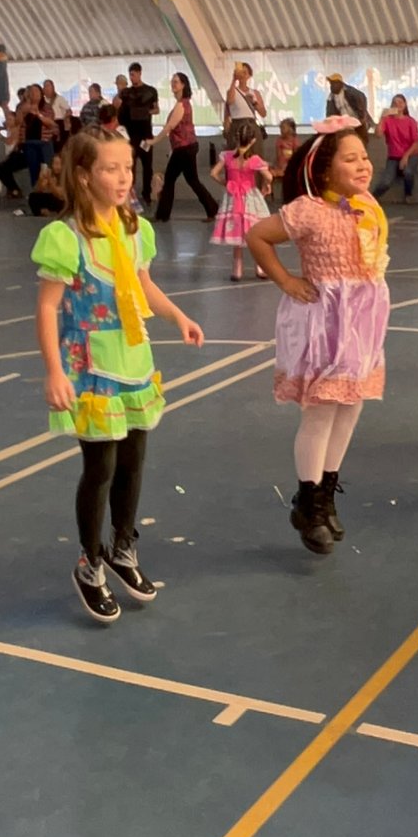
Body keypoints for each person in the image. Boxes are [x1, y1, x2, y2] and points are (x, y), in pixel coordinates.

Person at [34, 123, 203, 624]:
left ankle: (123, 547)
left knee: (133, 462)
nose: (125, 177)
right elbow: (47, 308)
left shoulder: (133, 230)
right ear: (84, 175)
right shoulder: (65, 238)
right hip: (90, 366)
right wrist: (54, 371)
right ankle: (90, 562)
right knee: (101, 467)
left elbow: (144, 285)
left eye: (128, 167)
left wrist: (177, 316)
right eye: (111, 168)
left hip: (132, 358)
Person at [247, 117, 390, 557]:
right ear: (325, 171)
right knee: (322, 411)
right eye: (351, 159)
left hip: (360, 323)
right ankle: (307, 501)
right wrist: (286, 281)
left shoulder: (366, 204)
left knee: (351, 406)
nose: (363, 165)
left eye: (364, 157)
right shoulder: (308, 210)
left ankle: (326, 493)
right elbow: (257, 235)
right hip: (326, 321)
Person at [211, 120, 272, 281]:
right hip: (250, 197)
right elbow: (269, 176)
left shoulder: (227, 156)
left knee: (237, 233)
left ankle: (237, 269)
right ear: (253, 140)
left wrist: (226, 183)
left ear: (237, 138)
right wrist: (266, 185)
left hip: (232, 198)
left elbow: (213, 173)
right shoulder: (254, 160)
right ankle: (259, 267)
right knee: (254, 232)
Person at [154, 72, 218, 223]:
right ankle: (212, 208)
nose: (173, 84)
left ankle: (162, 215)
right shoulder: (184, 103)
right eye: (172, 81)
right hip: (186, 147)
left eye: (176, 82)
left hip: (184, 148)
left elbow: (170, 127)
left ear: (183, 85)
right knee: (191, 180)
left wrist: (153, 141)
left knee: (171, 180)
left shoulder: (181, 105)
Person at [120, 63, 158, 207]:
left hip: (146, 134)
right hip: (131, 135)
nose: (132, 77)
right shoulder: (126, 93)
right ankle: (130, 193)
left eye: (134, 74)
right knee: (131, 165)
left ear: (140, 73)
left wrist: (145, 112)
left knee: (147, 166)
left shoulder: (150, 91)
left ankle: (146, 193)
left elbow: (156, 109)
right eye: (130, 75)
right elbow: (120, 111)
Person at [374, 93, 418, 202]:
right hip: (393, 156)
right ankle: (373, 198)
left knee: (408, 172)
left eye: (400, 102)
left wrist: (405, 156)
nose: (397, 105)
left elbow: (416, 142)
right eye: (394, 103)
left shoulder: (411, 121)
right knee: (386, 182)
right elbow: (378, 135)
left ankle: (408, 194)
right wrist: (382, 118)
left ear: (405, 105)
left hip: (411, 154)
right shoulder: (387, 120)